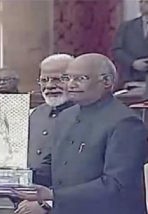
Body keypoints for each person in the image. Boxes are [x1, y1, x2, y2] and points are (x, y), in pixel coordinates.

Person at [13, 53, 147, 214]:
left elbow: (116, 185)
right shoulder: (66, 116)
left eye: (80, 78)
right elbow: (50, 166)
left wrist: (53, 196)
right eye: (67, 78)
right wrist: (6, 180)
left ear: (107, 81)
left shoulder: (126, 123)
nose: (71, 84)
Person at [16, 54, 75, 214]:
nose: (49, 86)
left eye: (57, 79)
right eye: (44, 80)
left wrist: (47, 203)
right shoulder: (34, 114)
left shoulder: (86, 116)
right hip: (22, 201)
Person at [112, 0, 148, 87]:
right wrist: (133, 63)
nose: (142, 4)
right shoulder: (127, 26)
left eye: (146, 2)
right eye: (140, 1)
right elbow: (117, 50)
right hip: (131, 79)